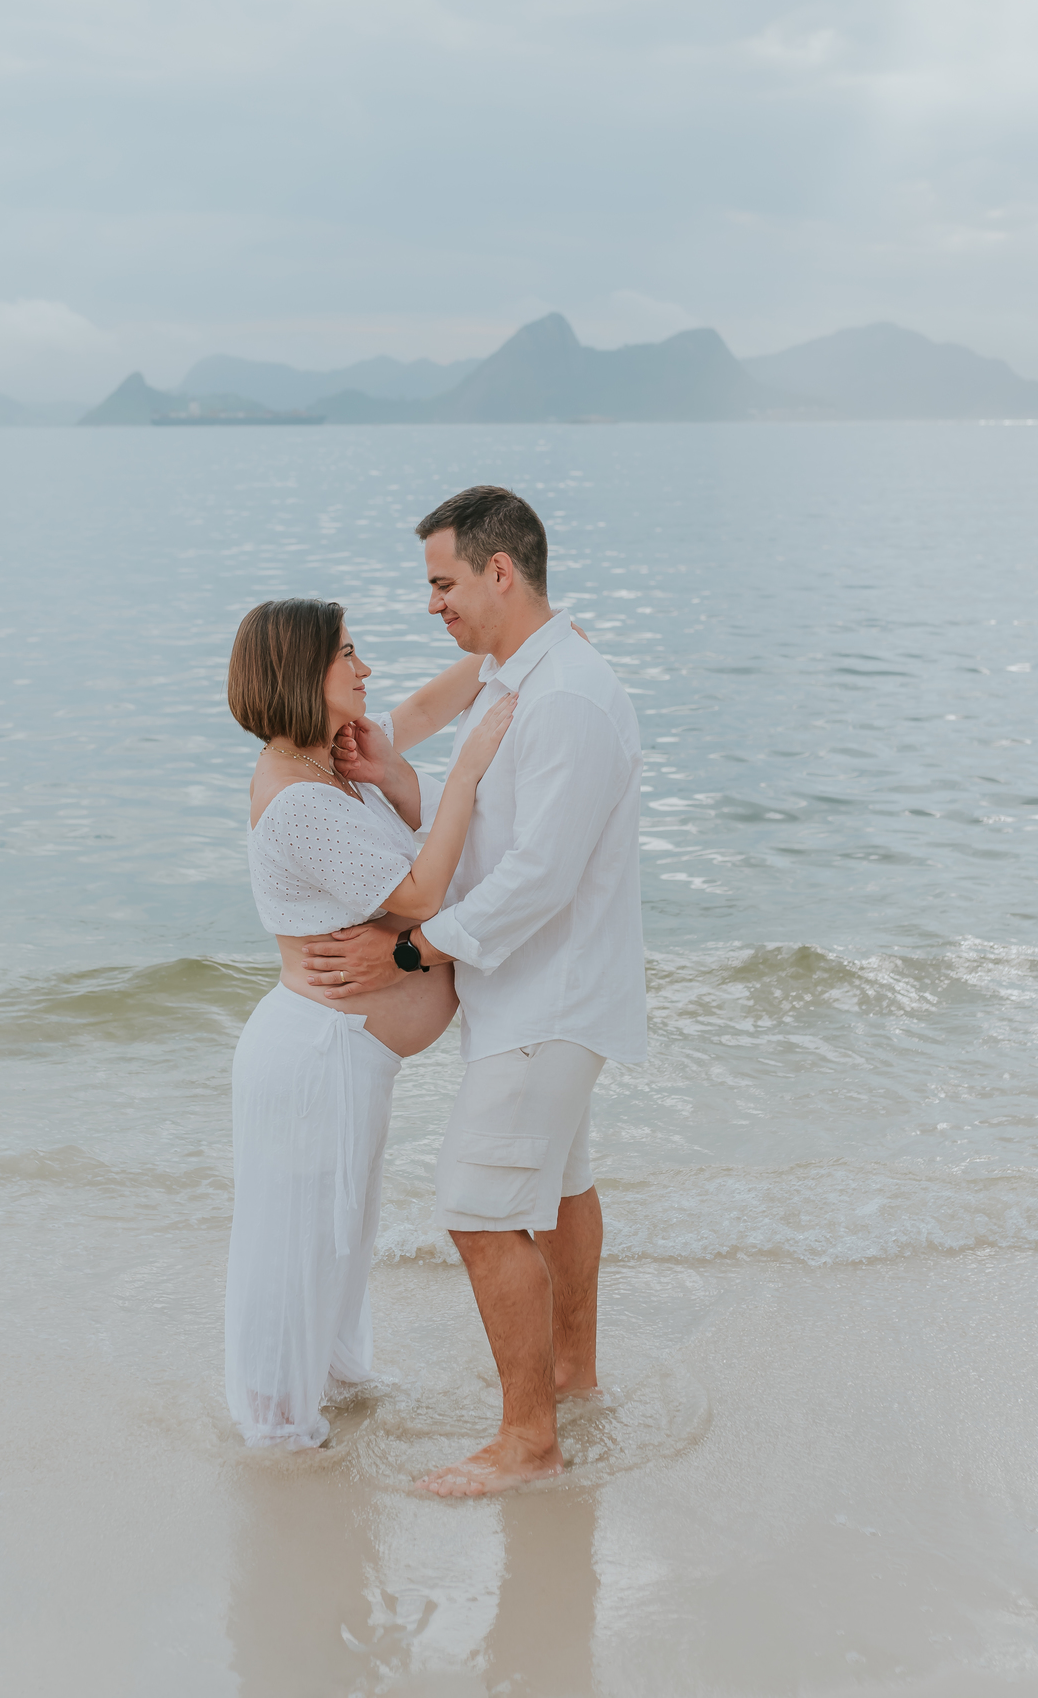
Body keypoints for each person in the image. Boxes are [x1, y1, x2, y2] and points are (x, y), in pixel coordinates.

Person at [303, 486, 647, 1495]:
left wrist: (415, 955)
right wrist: (402, 785)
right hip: (537, 994)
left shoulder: (568, 697)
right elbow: (493, 835)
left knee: (477, 1208)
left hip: (546, 998)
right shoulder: (513, 679)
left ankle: (528, 1439)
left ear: (503, 572)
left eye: (443, 583)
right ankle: (572, 1378)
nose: (432, 605)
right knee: (560, 1190)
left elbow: (538, 875)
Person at [224, 597, 515, 1449]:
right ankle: (277, 1433)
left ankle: (328, 1389)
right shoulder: (299, 799)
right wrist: (465, 775)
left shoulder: (330, 761)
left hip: (343, 1054)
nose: (366, 669)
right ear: (299, 673)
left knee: (338, 1238)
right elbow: (420, 897)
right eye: (348, 654)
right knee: (301, 1244)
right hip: (317, 1054)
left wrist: (514, 647)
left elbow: (424, 708)